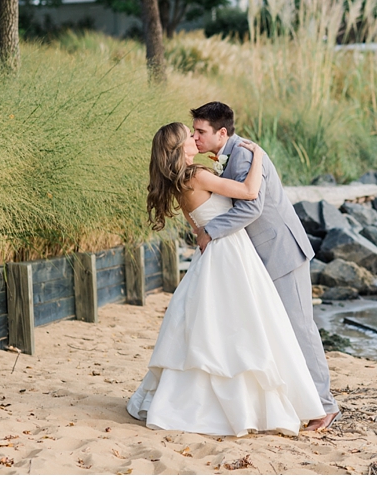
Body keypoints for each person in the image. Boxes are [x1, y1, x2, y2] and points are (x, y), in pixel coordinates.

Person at [127, 122, 325, 436]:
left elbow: (197, 228)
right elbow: (249, 192)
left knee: (213, 328)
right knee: (244, 327)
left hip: (211, 254)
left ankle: (204, 402)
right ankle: (245, 406)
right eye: (188, 136)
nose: (194, 138)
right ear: (180, 148)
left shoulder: (178, 183)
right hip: (231, 252)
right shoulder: (198, 175)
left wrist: (209, 230)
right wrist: (258, 155)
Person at [190, 102, 339, 431]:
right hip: (261, 256)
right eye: (195, 131)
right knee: (278, 331)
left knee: (301, 328)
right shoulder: (233, 155)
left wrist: (209, 231)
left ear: (222, 133)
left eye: (201, 132)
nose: (196, 137)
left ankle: (326, 406)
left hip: (282, 252)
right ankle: (298, 400)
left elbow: (252, 208)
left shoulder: (243, 154)